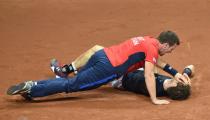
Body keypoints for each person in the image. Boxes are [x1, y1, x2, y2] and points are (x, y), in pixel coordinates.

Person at [7, 30, 188, 105]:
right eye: (171, 49)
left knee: (72, 81)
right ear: (164, 44)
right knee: (71, 86)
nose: (170, 52)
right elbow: (149, 74)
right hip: (107, 69)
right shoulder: (152, 49)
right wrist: (155, 100)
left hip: (101, 55)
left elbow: (157, 61)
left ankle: (33, 89)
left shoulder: (149, 40)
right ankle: (32, 88)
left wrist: (175, 73)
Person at [110, 65, 194, 100]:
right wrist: (186, 73)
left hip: (121, 78)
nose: (182, 79)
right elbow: (191, 66)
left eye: (182, 82)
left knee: (97, 49)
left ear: (175, 84)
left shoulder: (155, 88)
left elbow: (149, 74)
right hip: (136, 71)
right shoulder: (169, 84)